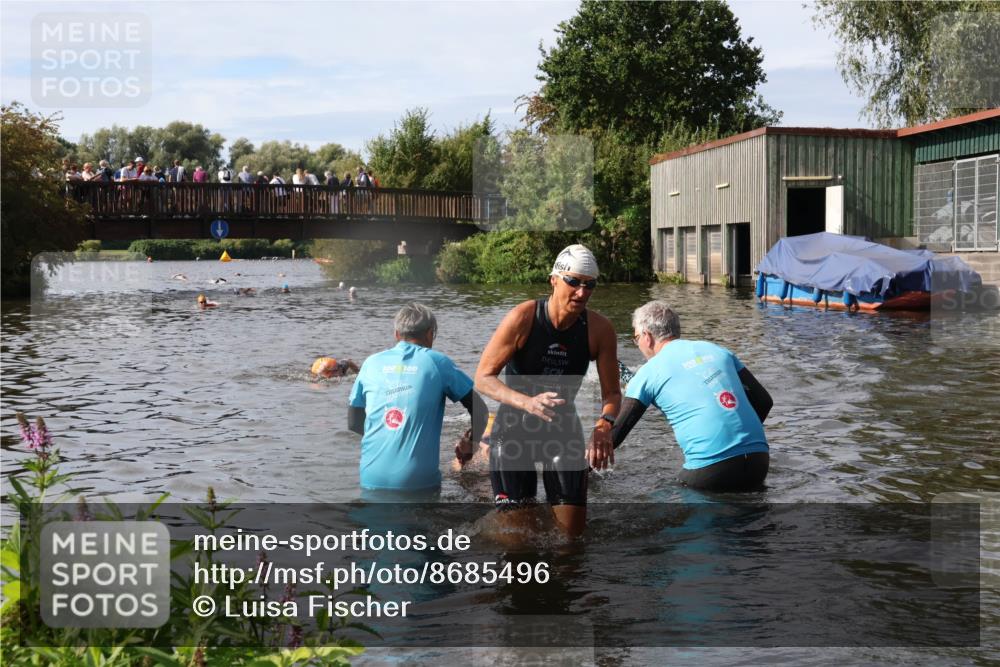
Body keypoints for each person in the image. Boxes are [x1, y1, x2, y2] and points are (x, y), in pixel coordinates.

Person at [472, 244, 620, 537]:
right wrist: (526, 402)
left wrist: (605, 425)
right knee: (518, 542)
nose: (581, 292)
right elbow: (483, 378)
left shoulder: (599, 329)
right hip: (514, 428)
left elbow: (612, 394)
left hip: (563, 432)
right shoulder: (524, 317)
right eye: (573, 282)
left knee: (571, 541)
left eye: (589, 285)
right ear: (554, 279)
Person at [611, 301, 773, 492]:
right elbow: (764, 401)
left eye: (636, 338)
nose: (637, 344)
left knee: (658, 503)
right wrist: (735, 439)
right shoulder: (717, 350)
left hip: (710, 470)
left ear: (647, 337)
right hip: (759, 460)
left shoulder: (648, 372)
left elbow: (614, 436)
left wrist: (577, 471)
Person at [348, 303, 488, 497]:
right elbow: (480, 410)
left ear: (397, 334)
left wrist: (391, 439)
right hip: (418, 481)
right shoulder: (438, 363)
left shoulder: (371, 363)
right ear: (430, 334)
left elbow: (354, 423)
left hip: (371, 477)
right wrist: (470, 446)